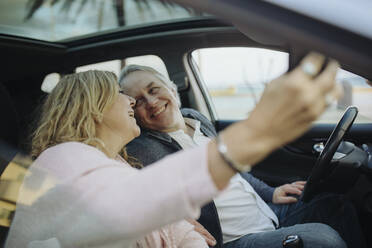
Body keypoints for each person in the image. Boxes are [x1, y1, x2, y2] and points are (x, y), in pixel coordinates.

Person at [6, 53, 345, 248]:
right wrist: (256, 132)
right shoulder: (63, 156)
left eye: (149, 92)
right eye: (125, 96)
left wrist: (177, 219)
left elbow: (131, 205)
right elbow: (126, 208)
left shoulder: (108, 160)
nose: (133, 102)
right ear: (93, 108)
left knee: (335, 204)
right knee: (323, 239)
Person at [119, 59, 364, 248]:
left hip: (266, 213)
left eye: (154, 89)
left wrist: (271, 192)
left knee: (336, 204)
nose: (151, 102)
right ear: (133, 112)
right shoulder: (141, 149)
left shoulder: (195, 119)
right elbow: (138, 201)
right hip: (235, 239)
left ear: (172, 89)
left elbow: (234, 168)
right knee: (324, 240)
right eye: (138, 101)